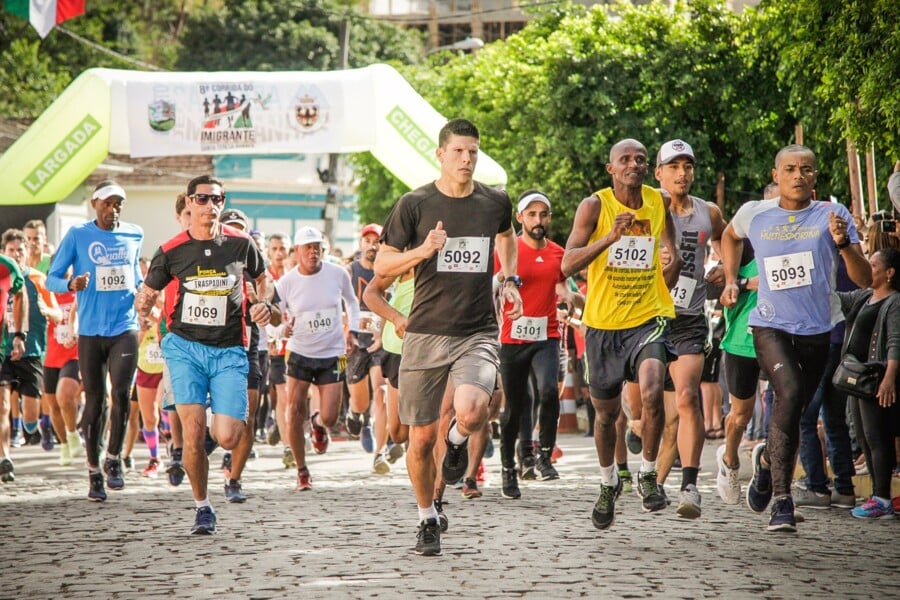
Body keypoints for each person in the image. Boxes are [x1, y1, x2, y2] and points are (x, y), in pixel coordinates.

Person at [375, 118, 522, 556]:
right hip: (424, 333)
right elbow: (383, 265)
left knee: (474, 410)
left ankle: (456, 443)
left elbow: (507, 236)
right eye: (458, 151)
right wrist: (424, 250)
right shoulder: (414, 204)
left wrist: (509, 277)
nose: (466, 159)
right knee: (418, 439)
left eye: (473, 151)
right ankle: (426, 518)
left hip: (476, 330)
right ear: (440, 153)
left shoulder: (494, 202)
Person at [720, 144, 871, 532]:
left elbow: (865, 278)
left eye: (806, 169)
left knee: (797, 410)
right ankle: (782, 503)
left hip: (818, 328)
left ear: (815, 177)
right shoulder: (756, 212)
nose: (798, 175)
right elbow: (729, 236)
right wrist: (732, 278)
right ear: (776, 176)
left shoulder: (832, 215)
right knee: (787, 392)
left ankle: (768, 462)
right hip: (770, 323)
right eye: (790, 169)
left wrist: (842, 244)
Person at [136, 175, 271, 534]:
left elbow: (262, 279)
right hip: (184, 348)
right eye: (203, 198)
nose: (210, 204)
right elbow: (147, 291)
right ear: (190, 203)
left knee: (228, 435)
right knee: (193, 432)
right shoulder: (171, 249)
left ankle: (207, 438)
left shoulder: (241, 244)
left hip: (229, 348)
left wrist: (262, 303)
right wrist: (144, 309)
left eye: (217, 198)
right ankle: (202, 507)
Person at [561, 138, 681, 530]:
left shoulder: (658, 202)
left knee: (651, 391)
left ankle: (648, 476)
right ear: (611, 168)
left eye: (640, 159)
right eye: (625, 160)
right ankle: (609, 482)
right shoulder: (594, 206)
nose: (634, 164)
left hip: (648, 317)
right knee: (606, 416)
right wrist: (610, 238)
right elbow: (566, 264)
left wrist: (671, 264)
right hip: (602, 325)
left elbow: (672, 254)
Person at [46, 180, 144, 501]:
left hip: (124, 327)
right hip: (90, 332)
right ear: (94, 204)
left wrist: (144, 293)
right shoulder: (78, 235)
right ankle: (93, 469)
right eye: (107, 203)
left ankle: (113, 459)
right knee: (97, 401)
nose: (113, 210)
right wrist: (72, 283)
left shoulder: (133, 233)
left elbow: (136, 276)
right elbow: (52, 278)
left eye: (119, 204)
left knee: (121, 393)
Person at [652, 139, 726, 518]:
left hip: (689, 320)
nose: (682, 173)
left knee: (686, 399)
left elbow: (730, 241)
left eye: (688, 166)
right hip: (648, 320)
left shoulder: (707, 212)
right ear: (658, 172)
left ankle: (690, 485)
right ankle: (652, 481)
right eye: (674, 166)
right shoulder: (644, 211)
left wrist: (727, 270)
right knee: (647, 412)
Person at [496, 190, 572, 499]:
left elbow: (564, 285)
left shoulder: (557, 252)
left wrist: (568, 297)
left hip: (546, 336)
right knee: (514, 408)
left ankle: (544, 455)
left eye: (543, 215)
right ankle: (508, 469)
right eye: (531, 214)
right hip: (513, 339)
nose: (538, 220)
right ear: (520, 218)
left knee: (549, 390)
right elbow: (491, 285)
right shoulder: (506, 249)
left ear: (549, 218)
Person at [275, 226, 359, 491]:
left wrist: (352, 332)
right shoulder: (286, 282)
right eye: (308, 247)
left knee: (332, 416)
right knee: (293, 410)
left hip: (333, 353)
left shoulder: (337, 274)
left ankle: (319, 424)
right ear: (297, 252)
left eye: (317, 247)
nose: (313, 252)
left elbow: (352, 302)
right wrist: (280, 330)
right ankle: (302, 471)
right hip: (299, 352)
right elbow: (273, 315)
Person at [836, 248, 900, 518]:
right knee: (863, 436)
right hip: (858, 380)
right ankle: (877, 495)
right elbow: (836, 299)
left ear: (889, 272)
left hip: (877, 378)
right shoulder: (864, 296)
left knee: (877, 437)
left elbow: (896, 342)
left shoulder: (895, 302)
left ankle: (882, 497)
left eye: (872, 265)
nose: (867, 268)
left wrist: (889, 379)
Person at [345, 223, 389, 463]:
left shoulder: (389, 270)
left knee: (381, 391)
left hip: (380, 340)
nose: (372, 246)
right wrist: (346, 331)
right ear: (361, 244)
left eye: (377, 241)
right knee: (361, 402)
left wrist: (384, 330)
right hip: (355, 342)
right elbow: (337, 302)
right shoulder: (350, 271)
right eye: (368, 241)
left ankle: (380, 453)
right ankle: (358, 415)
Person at [0, 239, 28, 482]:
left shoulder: (6, 266)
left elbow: (20, 295)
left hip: (1, 348)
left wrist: (19, 334)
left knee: (3, 405)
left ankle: (4, 457)